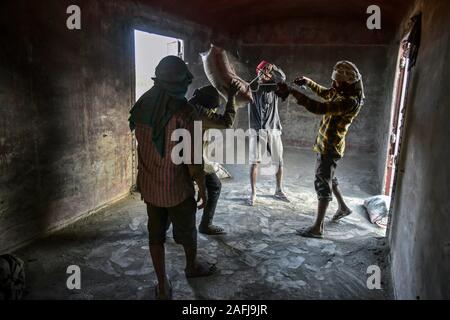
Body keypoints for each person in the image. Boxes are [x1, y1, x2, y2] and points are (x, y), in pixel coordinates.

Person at [129, 56, 216, 300]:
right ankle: (191, 267)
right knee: (187, 233)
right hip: (177, 189)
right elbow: (193, 160)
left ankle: (162, 285)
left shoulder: (142, 104)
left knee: (155, 235)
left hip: (150, 186)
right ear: (180, 80)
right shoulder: (185, 112)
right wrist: (202, 187)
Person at [275, 61, 365, 238]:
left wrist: (293, 92)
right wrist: (308, 82)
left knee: (322, 183)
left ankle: (318, 228)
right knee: (330, 178)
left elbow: (320, 107)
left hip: (330, 147)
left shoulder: (349, 101)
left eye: (338, 81)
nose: (334, 84)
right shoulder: (342, 91)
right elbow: (325, 92)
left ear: (349, 82)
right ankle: (343, 207)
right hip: (327, 144)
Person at [189, 81, 241, 235]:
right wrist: (232, 96)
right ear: (208, 105)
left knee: (181, 194)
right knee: (214, 186)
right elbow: (227, 122)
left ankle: (163, 229)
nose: (214, 111)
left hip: (181, 157)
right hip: (193, 159)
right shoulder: (201, 113)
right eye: (213, 108)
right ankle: (205, 225)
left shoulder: (189, 105)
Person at [248, 60, 290, 206]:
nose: (266, 73)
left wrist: (274, 68)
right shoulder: (252, 87)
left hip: (273, 128)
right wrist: (261, 73)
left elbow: (282, 78)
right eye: (262, 71)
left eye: (268, 71)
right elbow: (247, 85)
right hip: (257, 130)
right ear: (257, 72)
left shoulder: (273, 87)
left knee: (279, 161)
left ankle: (279, 190)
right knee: (255, 162)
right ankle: (253, 193)